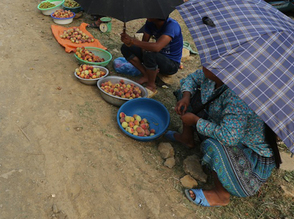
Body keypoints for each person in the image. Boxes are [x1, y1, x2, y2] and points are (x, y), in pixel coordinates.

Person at [165, 66, 281, 208]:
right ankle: (187, 138)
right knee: (186, 98)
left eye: (210, 64)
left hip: (249, 156)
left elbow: (229, 137)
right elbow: (192, 78)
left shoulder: (238, 98)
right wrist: (186, 96)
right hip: (227, 127)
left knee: (214, 146)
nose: (205, 64)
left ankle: (221, 195)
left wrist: (196, 121)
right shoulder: (213, 73)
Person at [119, 17, 183, 95]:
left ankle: (151, 85)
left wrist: (133, 41)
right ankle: (146, 74)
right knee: (126, 48)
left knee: (150, 53)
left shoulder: (172, 26)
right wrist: (128, 42)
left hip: (171, 64)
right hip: (157, 56)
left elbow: (156, 47)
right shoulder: (150, 22)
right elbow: (144, 43)